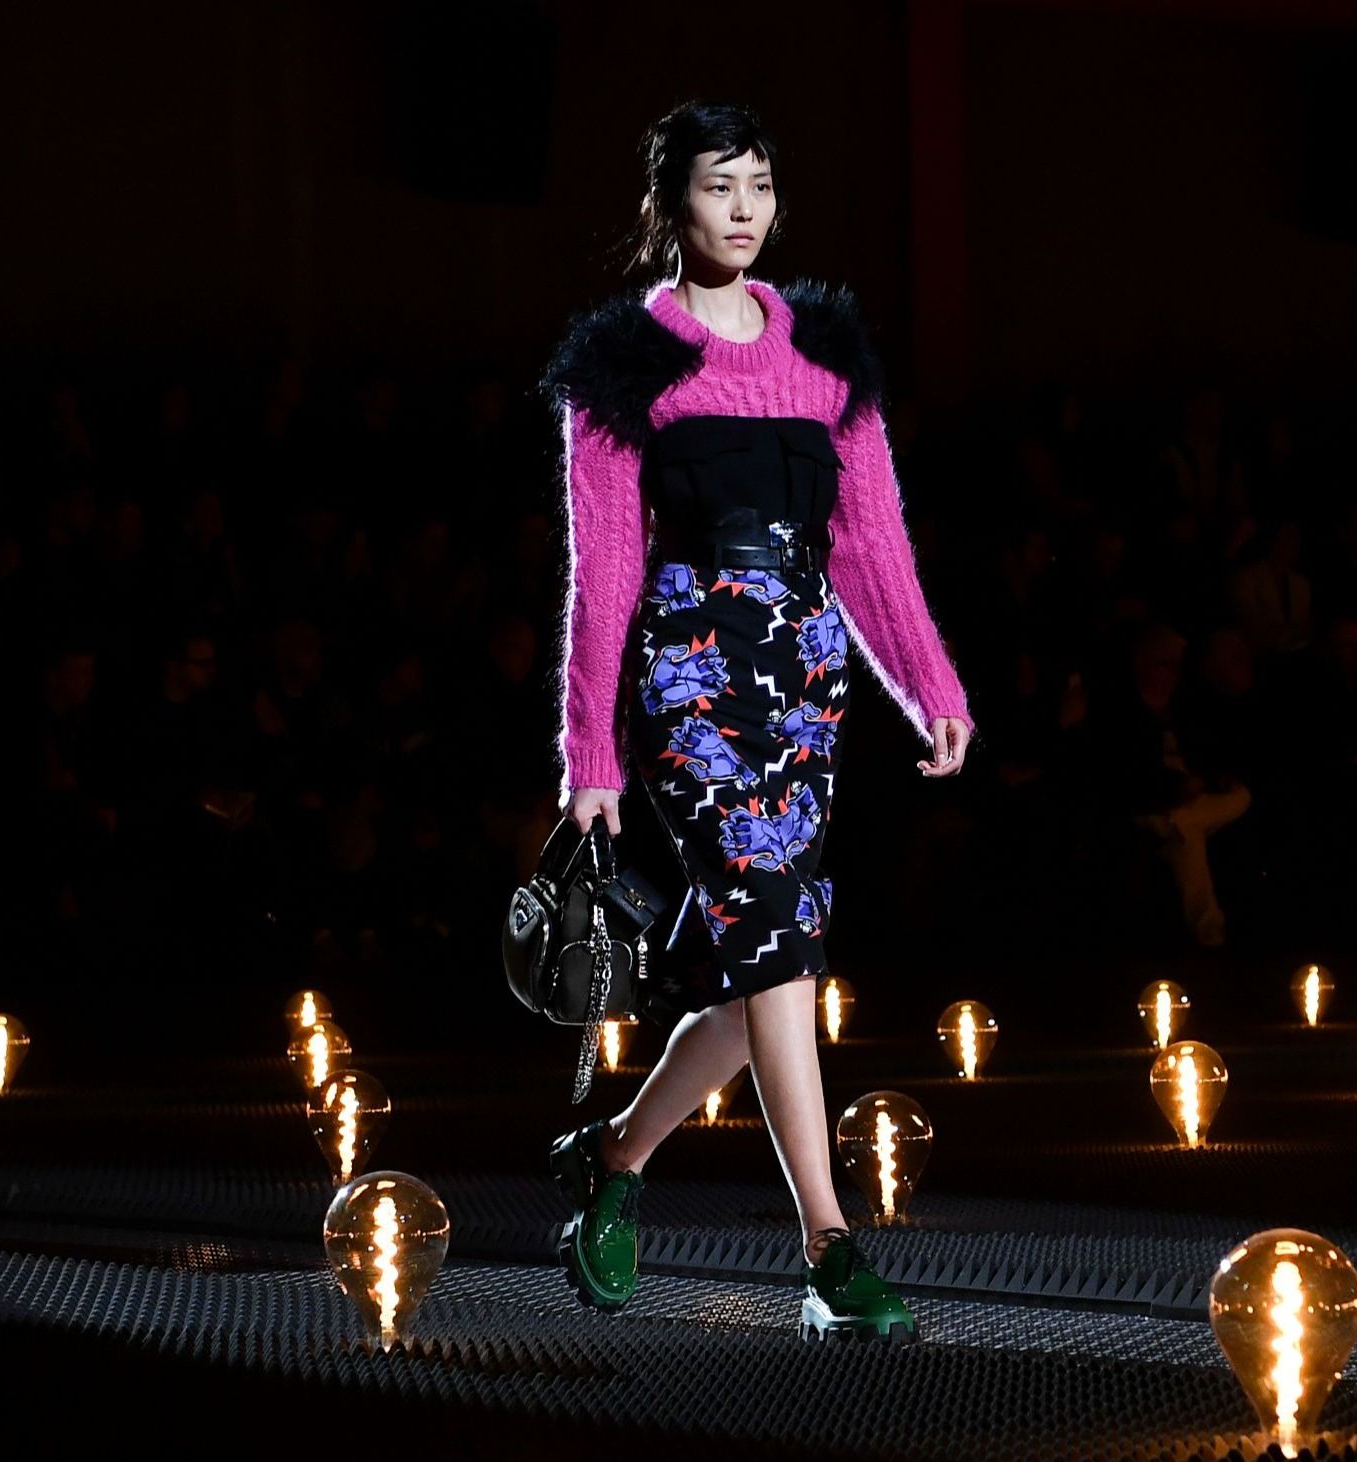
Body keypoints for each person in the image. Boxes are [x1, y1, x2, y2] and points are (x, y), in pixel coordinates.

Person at [536, 101, 974, 1344]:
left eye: (760, 185)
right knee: (779, 946)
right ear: (669, 205)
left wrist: (927, 686)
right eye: (718, 186)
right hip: (689, 677)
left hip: (804, 676)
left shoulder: (827, 354)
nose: (742, 207)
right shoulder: (626, 362)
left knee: (759, 965)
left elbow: (872, 541)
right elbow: (603, 566)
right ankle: (830, 1245)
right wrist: (590, 750)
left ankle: (614, 1155)